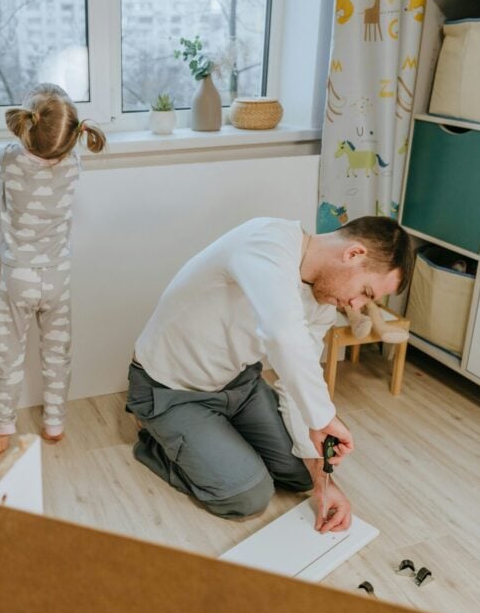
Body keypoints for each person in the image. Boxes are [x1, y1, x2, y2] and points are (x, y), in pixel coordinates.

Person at [126, 216, 412, 531]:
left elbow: (297, 383)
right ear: (353, 254)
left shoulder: (323, 306)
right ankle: (155, 438)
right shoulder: (267, 243)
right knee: (247, 497)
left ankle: (222, 438)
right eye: (366, 291)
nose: (356, 305)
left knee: (303, 472)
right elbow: (282, 333)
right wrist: (323, 419)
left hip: (239, 383)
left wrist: (323, 482)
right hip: (173, 391)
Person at [0, 83, 107, 456]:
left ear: (26, 126)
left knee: (7, 353)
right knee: (58, 354)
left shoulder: (11, 158)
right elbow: (59, 140)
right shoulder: (74, 163)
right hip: (58, 277)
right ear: (74, 136)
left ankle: (2, 429)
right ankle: (55, 423)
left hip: (19, 277)